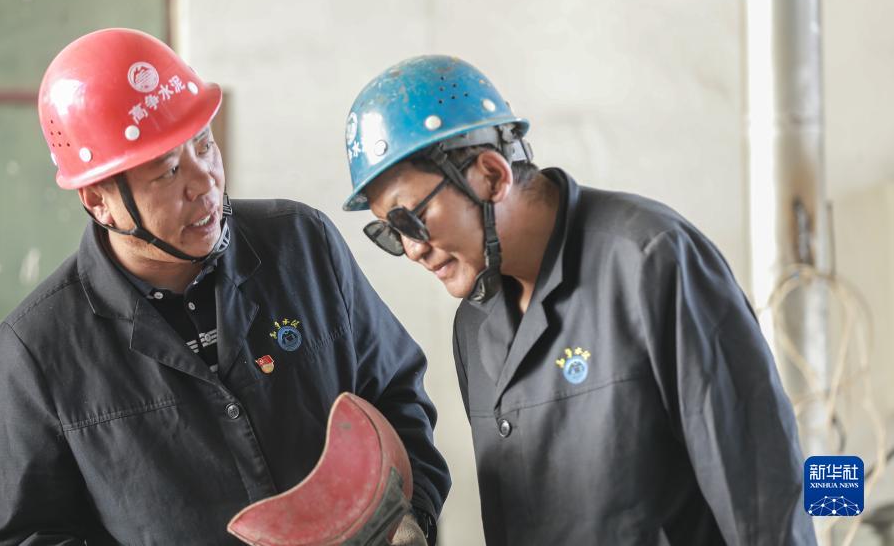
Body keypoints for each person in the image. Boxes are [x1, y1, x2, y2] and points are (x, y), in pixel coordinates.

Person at [0, 29, 448, 546]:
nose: (204, 181)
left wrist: (411, 516)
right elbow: (33, 535)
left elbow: (396, 397)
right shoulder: (41, 347)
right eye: (167, 172)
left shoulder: (302, 246)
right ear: (99, 201)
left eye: (205, 146)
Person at [341, 55, 816, 545]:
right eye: (390, 232)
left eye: (411, 219)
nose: (413, 249)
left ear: (492, 176)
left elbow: (762, 499)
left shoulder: (650, 263)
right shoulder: (475, 326)